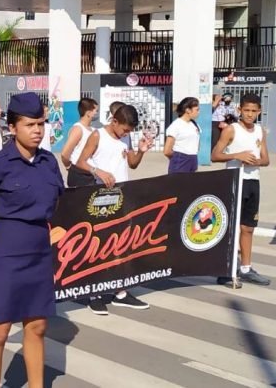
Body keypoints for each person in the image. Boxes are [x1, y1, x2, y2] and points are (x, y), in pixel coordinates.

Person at [0, 92, 64, 388]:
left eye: (41, 124)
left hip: (39, 251)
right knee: (0, 331)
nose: (37, 130)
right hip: (6, 251)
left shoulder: (48, 162)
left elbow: (56, 202)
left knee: (38, 326)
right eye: (30, 124)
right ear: (13, 127)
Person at [75, 104, 154, 315]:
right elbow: (80, 161)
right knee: (98, 244)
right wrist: (97, 171)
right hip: (101, 197)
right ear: (115, 121)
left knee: (121, 244)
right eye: (125, 130)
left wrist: (141, 151)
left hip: (122, 195)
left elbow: (132, 163)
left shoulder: (124, 138)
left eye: (129, 131)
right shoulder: (97, 135)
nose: (126, 134)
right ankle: (95, 293)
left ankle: (120, 292)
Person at [212, 93, 270, 287]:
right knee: (232, 226)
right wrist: (238, 156)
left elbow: (266, 159)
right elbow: (215, 155)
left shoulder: (260, 131)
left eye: (254, 111)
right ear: (239, 110)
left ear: (259, 111)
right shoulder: (231, 130)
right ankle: (227, 269)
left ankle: (246, 268)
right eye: (246, 110)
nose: (250, 114)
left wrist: (257, 161)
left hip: (253, 181)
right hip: (235, 180)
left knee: (248, 227)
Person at [60, 97, 98, 187]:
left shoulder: (93, 130)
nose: (96, 113)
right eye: (95, 110)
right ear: (88, 113)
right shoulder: (78, 129)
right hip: (80, 176)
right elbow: (65, 154)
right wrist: (69, 166)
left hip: (91, 175)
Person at [164, 97, 201, 174]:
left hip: (193, 158)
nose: (199, 112)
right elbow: (167, 151)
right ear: (188, 110)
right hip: (180, 160)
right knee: (178, 185)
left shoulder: (194, 124)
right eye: (197, 110)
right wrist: (177, 158)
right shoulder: (176, 125)